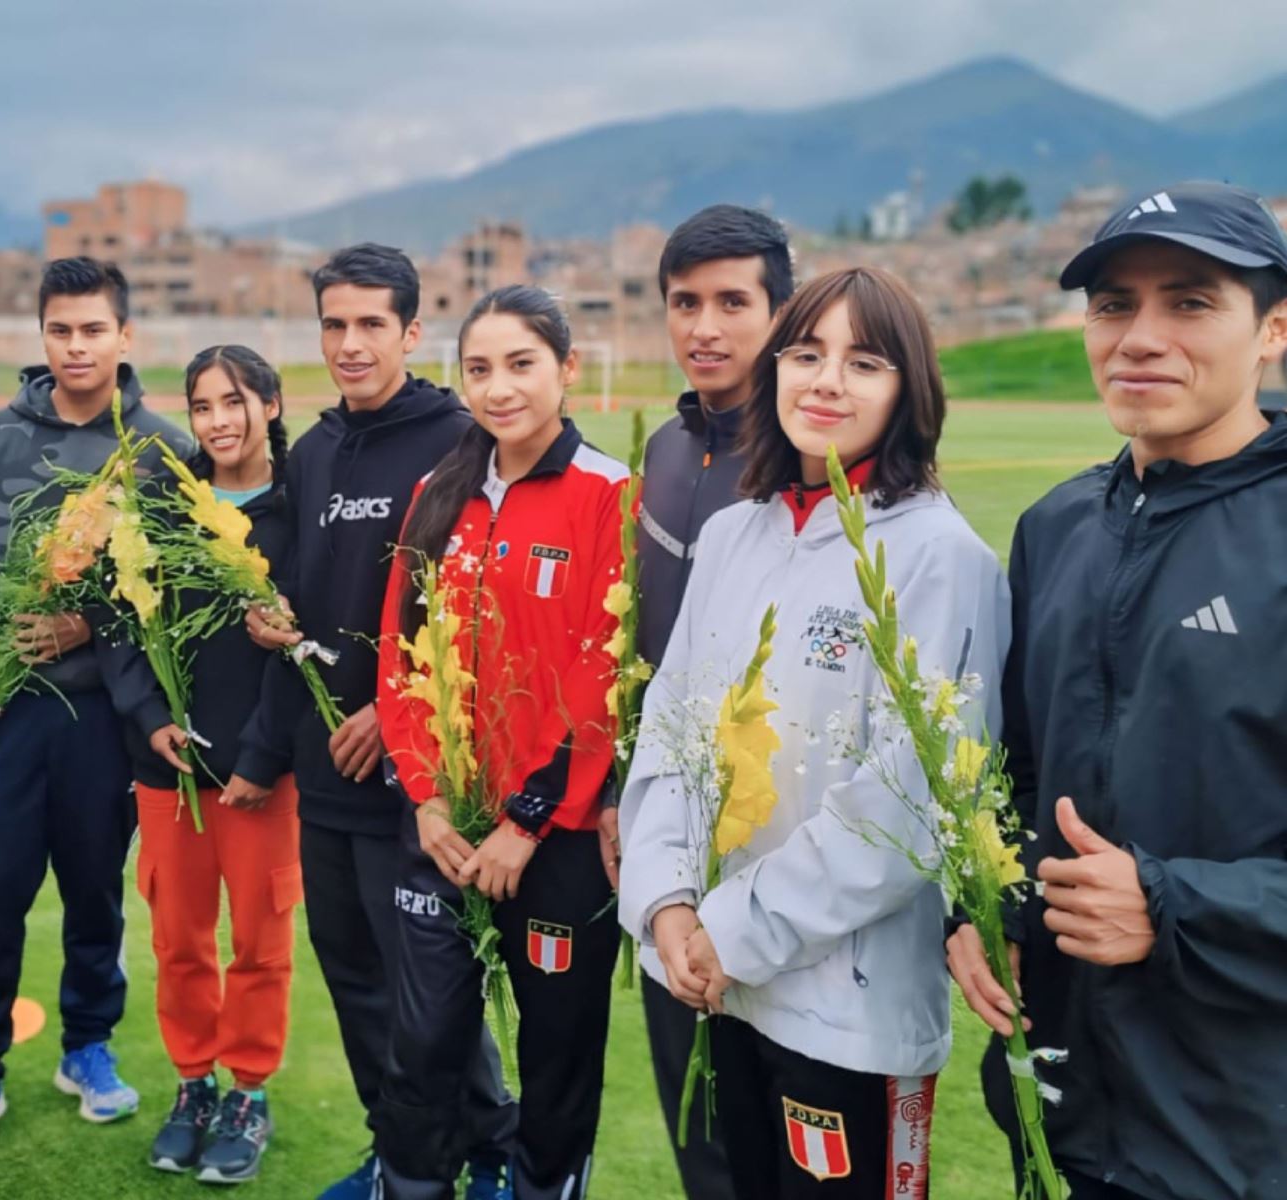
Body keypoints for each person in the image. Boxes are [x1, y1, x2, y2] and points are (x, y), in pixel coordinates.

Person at [621, 267, 1009, 1199]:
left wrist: (728, 931)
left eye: (863, 361)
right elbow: (670, 732)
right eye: (806, 353)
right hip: (706, 981)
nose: (827, 381)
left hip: (847, 1013)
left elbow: (904, 810)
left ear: (908, 389)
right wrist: (669, 905)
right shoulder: (733, 535)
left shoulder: (939, 556)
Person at [947, 181, 1287, 1200]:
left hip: (1239, 1128)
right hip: (1060, 1106)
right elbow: (1016, 768)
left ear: (1274, 329)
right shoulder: (1057, 528)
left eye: (1190, 302)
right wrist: (982, 907)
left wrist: (1174, 907)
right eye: (1112, 304)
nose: (1140, 337)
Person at [238, 244, 515, 1199]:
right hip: (326, 782)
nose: (350, 345)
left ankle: (483, 1157)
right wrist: (271, 618)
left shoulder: (459, 442)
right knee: (356, 987)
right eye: (333, 325)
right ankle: (397, 1152)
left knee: (431, 1002)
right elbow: (300, 600)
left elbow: (480, 614)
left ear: (410, 332)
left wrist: (391, 717)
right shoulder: (312, 452)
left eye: (370, 325)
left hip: (421, 786)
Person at [0, 257, 191, 1165]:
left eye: (93, 330)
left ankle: (86, 1045)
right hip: (1, 712)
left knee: (93, 892)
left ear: (126, 337)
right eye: (60, 330)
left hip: (100, 725)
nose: (77, 346)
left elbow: (175, 599)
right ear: (41, 337)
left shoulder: (160, 449)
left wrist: (89, 624)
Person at [374, 285, 628, 1200]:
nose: (498, 388)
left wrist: (528, 818)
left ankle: (543, 1185)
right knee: (427, 1038)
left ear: (566, 368)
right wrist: (429, 797)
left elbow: (603, 675)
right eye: (478, 369)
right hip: (442, 827)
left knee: (557, 1052)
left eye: (521, 364)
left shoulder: (607, 495)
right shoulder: (433, 496)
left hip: (549, 844)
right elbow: (401, 660)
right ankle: (410, 1184)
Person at [624, 204, 793, 1199]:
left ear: (781, 311)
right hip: (665, 844)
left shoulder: (811, 462)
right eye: (685, 302)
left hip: (778, 849)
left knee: (783, 1142)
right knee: (702, 1140)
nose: (705, 327)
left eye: (734, 302)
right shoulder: (666, 453)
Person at [101, 345, 299, 1184]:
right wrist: (150, 722)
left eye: (235, 402)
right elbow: (122, 623)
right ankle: (193, 1084)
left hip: (262, 774)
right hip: (168, 771)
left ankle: (248, 1091)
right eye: (203, 405)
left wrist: (260, 754)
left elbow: (300, 646)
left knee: (258, 939)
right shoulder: (162, 504)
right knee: (178, 938)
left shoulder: (299, 508)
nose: (218, 421)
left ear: (272, 404)